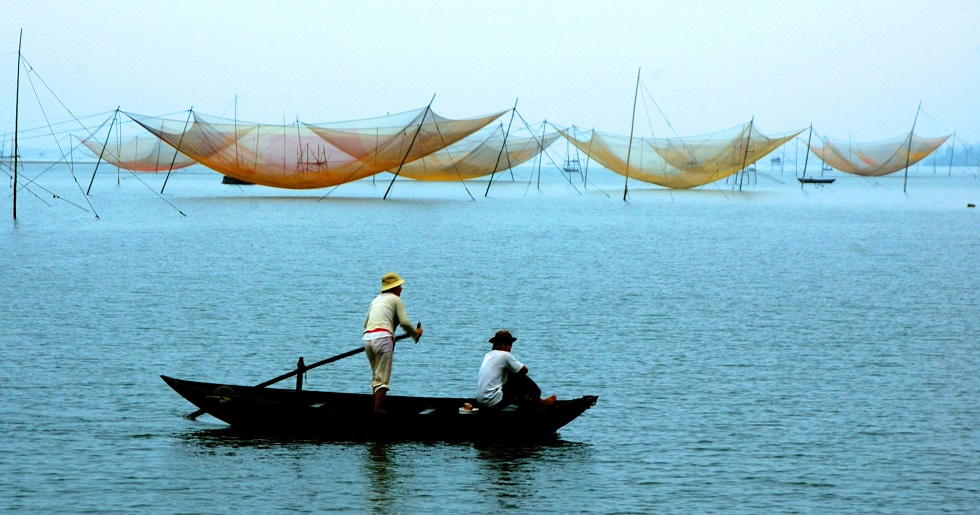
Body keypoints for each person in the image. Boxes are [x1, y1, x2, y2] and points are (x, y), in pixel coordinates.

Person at [363, 271, 423, 413]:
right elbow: (404, 322)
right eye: (400, 286)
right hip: (383, 338)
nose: (401, 289)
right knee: (383, 378)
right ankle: (377, 411)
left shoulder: (376, 300)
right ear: (394, 287)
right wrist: (416, 334)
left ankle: (377, 408)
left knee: (376, 376)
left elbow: (366, 323)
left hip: (367, 338)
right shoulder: (395, 300)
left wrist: (391, 335)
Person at [476, 330, 556, 410]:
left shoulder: (488, 355)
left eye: (510, 344)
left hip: (482, 401)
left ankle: (526, 401)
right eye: (506, 344)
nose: (509, 347)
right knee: (520, 378)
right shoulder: (504, 355)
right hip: (493, 401)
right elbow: (524, 370)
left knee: (512, 375)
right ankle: (539, 402)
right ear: (497, 344)